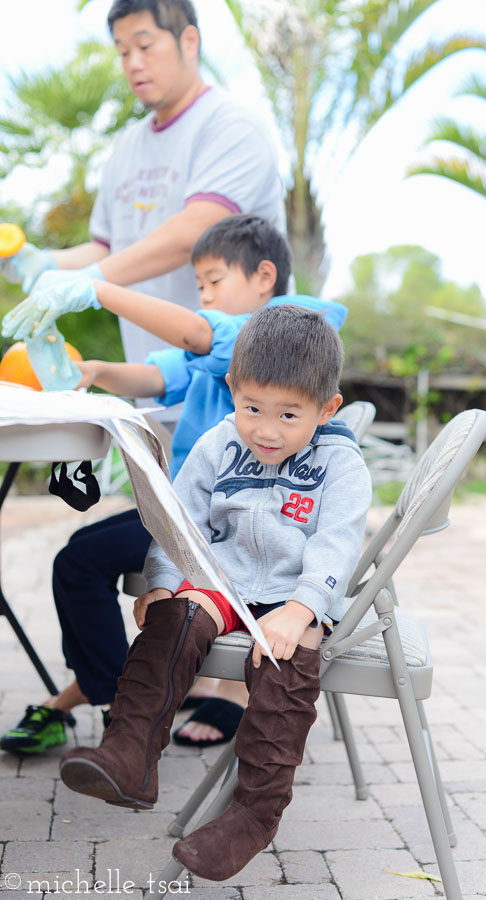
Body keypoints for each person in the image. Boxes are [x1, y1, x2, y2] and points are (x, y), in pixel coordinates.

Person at [0, 215, 348, 755]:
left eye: (213, 281)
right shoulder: (223, 346)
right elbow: (159, 375)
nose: (204, 295)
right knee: (80, 557)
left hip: (217, 523)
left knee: (79, 561)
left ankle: (128, 700)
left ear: (263, 276)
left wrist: (97, 289)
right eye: (200, 287)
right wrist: (90, 370)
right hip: (188, 505)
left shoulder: (277, 332)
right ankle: (126, 694)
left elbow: (198, 333)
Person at [59, 305, 373, 882]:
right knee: (178, 616)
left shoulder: (341, 464)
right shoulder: (218, 443)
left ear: (326, 409)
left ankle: (254, 812)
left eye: (288, 414)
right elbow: (177, 525)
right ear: (232, 388)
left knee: (287, 649)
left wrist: (302, 607)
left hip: (296, 593)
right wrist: (163, 584)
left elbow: (337, 545)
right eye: (252, 407)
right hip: (224, 580)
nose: (266, 429)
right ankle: (131, 754)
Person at [0, 0, 286, 371]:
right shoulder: (127, 147)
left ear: (188, 40)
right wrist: (47, 262)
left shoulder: (230, 126)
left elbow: (197, 231)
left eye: (145, 46)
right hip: (155, 378)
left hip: (244, 389)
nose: (133, 63)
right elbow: (108, 248)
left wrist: (91, 282)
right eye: (123, 51)